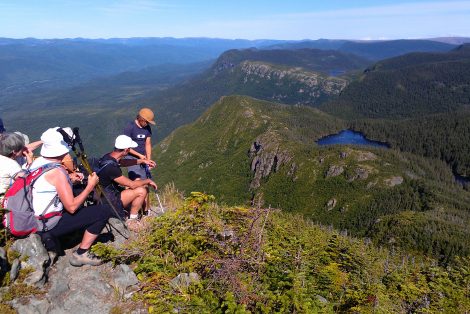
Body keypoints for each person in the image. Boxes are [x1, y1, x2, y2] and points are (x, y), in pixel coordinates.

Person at [30, 127, 112, 267]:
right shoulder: (57, 172)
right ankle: (81, 254)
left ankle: (70, 236)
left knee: (75, 192)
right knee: (104, 211)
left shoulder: (37, 163)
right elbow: (72, 207)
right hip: (48, 224)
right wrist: (90, 186)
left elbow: (47, 183)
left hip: (34, 219)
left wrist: (70, 178)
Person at [98, 135, 157, 231]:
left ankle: (139, 211)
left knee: (138, 181)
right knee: (142, 190)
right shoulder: (111, 167)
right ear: (125, 150)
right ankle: (132, 220)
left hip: (106, 195)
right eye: (129, 149)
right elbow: (131, 185)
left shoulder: (109, 157)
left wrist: (142, 161)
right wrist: (148, 180)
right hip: (110, 201)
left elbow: (123, 163)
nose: (130, 150)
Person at [122, 108, 157, 180]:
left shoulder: (147, 128)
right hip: (131, 157)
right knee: (137, 179)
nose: (148, 124)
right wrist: (139, 155)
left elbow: (148, 144)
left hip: (143, 157)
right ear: (141, 119)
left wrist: (148, 159)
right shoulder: (130, 127)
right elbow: (125, 146)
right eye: (147, 122)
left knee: (144, 179)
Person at [0, 132, 33, 198]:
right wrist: (30, 161)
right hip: (4, 199)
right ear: (14, 152)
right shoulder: (11, 164)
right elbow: (27, 181)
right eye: (22, 148)